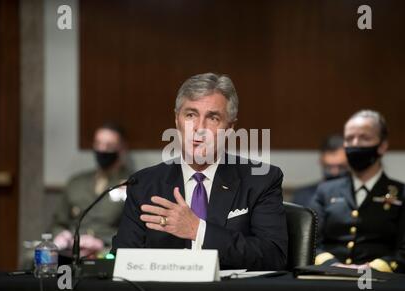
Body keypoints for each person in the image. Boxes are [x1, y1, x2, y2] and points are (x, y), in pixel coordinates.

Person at [112, 72, 288, 271]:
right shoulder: (143, 184)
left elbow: (273, 255)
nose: (199, 128)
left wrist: (198, 230)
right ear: (177, 120)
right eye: (190, 115)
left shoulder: (261, 179)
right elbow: (123, 259)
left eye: (213, 118)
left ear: (229, 128)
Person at [310, 110, 405, 275]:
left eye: (365, 138)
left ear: (382, 146)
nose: (355, 143)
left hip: (382, 283)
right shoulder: (326, 191)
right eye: (349, 138)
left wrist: (371, 269)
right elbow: (310, 242)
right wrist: (332, 265)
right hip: (330, 279)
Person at [51, 123, 131, 258]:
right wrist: (62, 237)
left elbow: (134, 232)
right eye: (98, 144)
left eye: (109, 146)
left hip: (108, 250)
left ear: (122, 148)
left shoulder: (132, 184)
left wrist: (103, 243)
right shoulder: (76, 183)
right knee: (33, 259)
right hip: (72, 249)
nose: (102, 149)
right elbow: (58, 222)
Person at [292, 134, 348, 207]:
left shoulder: (357, 194)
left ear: (349, 163)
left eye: (340, 166)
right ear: (321, 161)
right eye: (329, 167)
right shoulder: (303, 196)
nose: (335, 172)